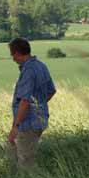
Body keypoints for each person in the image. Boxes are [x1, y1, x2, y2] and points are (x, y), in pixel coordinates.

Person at [7, 38, 56, 170]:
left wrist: (15, 126)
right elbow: (51, 91)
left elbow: (24, 100)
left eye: (12, 54)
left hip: (27, 124)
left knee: (25, 163)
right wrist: (38, 106)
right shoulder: (41, 66)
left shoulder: (28, 70)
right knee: (19, 154)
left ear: (17, 53)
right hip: (39, 121)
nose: (13, 58)